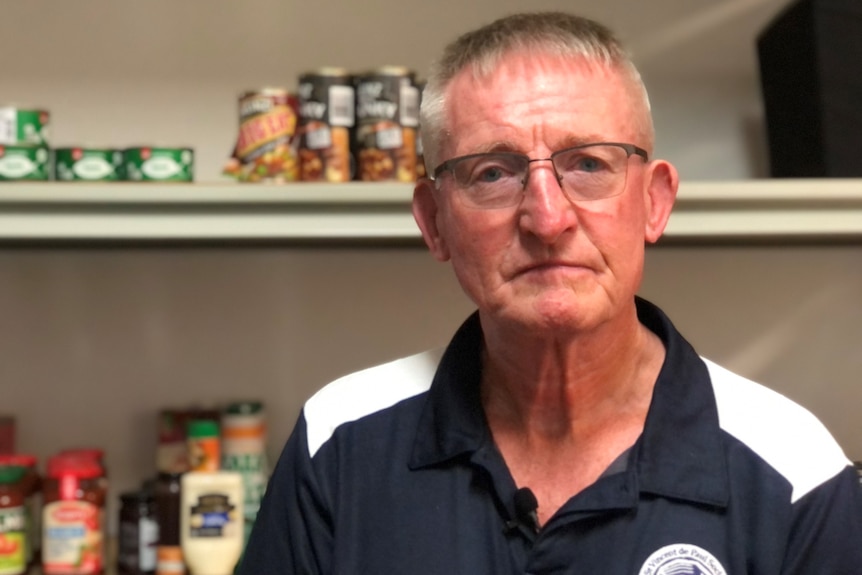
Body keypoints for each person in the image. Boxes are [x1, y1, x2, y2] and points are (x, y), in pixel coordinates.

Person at [238, 12, 862, 574]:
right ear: (434, 222)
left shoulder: (793, 470)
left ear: (654, 201)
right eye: (493, 172)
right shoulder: (339, 444)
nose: (547, 218)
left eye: (589, 164)